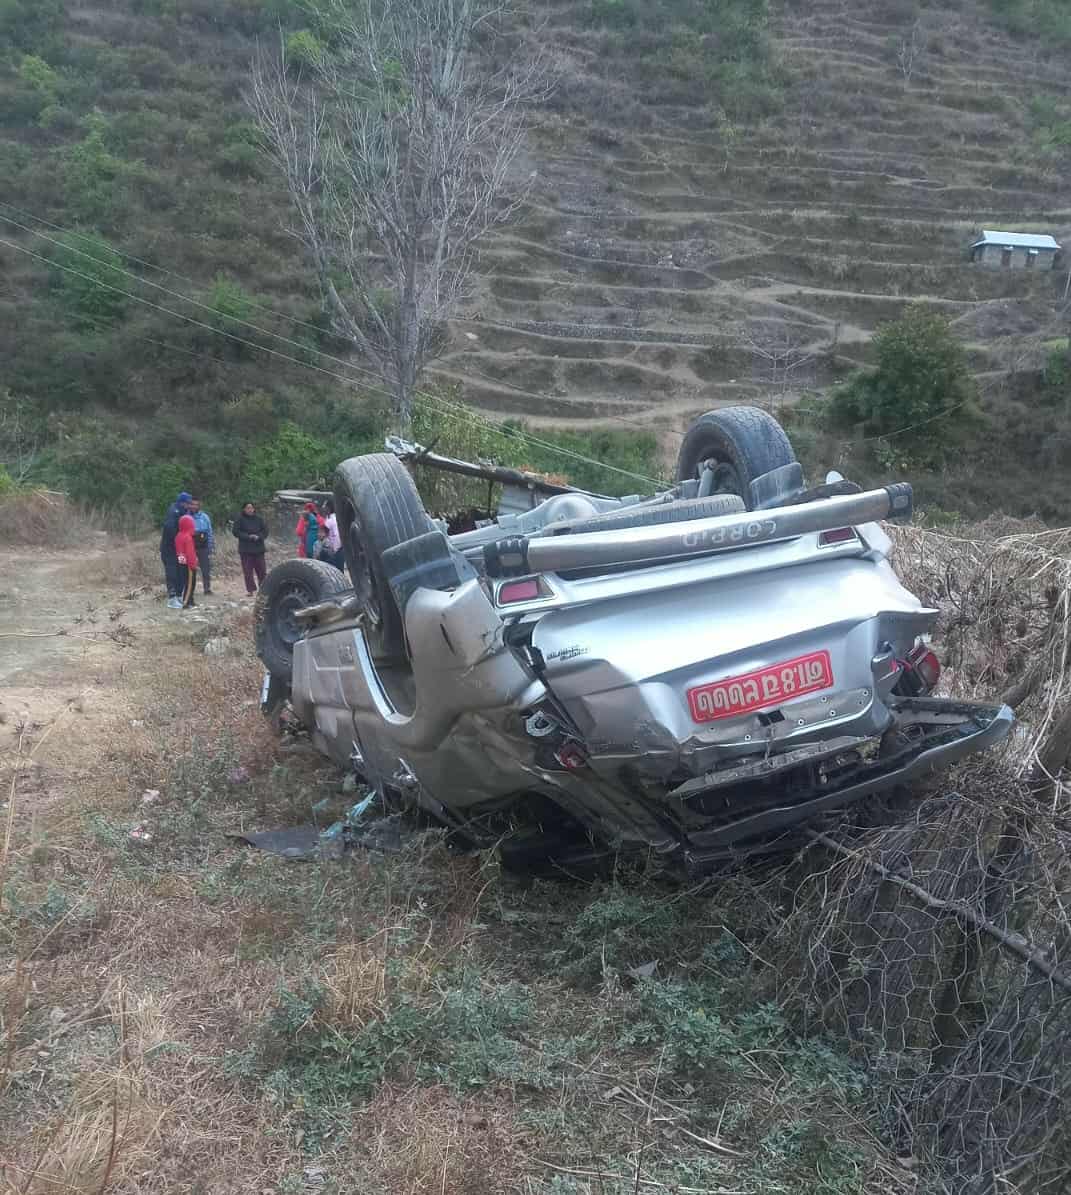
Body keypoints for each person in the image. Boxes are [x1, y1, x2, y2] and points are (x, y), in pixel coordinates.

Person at [160, 491, 192, 609]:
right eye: (188, 503)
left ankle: (179, 596)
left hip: (180, 550)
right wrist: (179, 539)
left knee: (181, 572)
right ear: (182, 502)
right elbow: (170, 529)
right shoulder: (174, 512)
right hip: (170, 549)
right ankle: (172, 599)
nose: (189, 505)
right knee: (172, 573)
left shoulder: (184, 512)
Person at [233, 501, 269, 596]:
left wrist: (258, 536)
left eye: (251, 508)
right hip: (246, 549)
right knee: (248, 572)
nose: (250, 510)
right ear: (244, 509)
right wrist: (248, 536)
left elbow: (265, 531)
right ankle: (250, 590)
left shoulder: (259, 519)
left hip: (258, 549)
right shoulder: (240, 519)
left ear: (254, 509)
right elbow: (235, 532)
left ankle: (263, 590)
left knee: (262, 571)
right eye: (248, 508)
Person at [189, 498, 215, 596]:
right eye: (192, 504)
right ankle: (190, 589)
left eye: (196, 504)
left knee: (206, 568)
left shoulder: (204, 517)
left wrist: (210, 545)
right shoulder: (187, 517)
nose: (194, 506)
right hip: (190, 545)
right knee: (190, 568)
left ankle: (207, 588)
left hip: (203, 545)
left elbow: (209, 531)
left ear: (199, 506)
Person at [174, 513, 199, 609]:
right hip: (189, 564)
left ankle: (190, 601)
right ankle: (187, 602)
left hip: (181, 562)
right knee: (190, 583)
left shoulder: (178, 535)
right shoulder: (187, 537)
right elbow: (190, 553)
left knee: (186, 582)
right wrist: (193, 564)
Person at [321, 499, 345, 571]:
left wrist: (335, 549)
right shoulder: (332, 518)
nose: (323, 507)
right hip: (337, 548)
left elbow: (336, 535)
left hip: (336, 549)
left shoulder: (331, 520)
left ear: (328, 508)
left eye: (324, 506)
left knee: (334, 570)